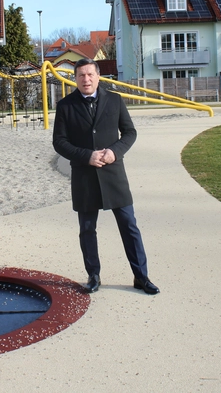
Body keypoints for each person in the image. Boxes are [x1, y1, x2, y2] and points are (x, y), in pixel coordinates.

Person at [52, 58, 159, 295]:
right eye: (81, 75)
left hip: (114, 174)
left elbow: (130, 132)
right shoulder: (65, 106)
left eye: (90, 74)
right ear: (75, 78)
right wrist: (87, 156)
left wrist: (114, 152)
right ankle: (93, 276)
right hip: (84, 176)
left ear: (98, 76)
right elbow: (59, 142)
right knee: (87, 229)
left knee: (129, 225)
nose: (86, 79)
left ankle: (141, 276)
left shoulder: (115, 100)